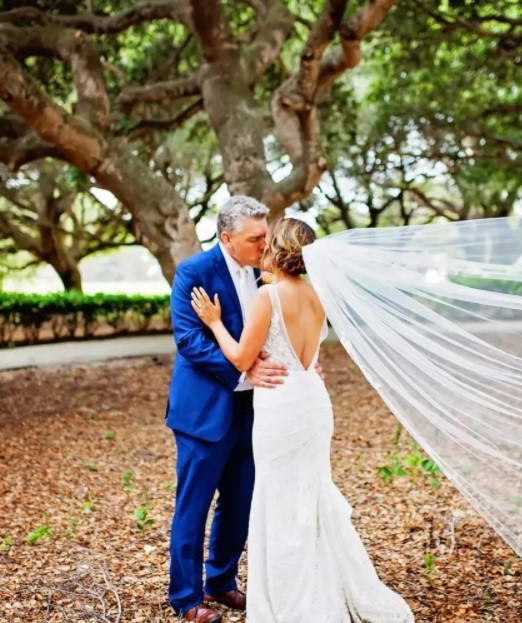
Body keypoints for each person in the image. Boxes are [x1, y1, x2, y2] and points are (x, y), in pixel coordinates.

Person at [189, 217, 415, 622]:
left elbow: (240, 358)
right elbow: (306, 354)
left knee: (280, 500)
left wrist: (214, 322)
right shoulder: (317, 293)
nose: (262, 248)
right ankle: (326, 585)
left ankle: (294, 601)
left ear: (278, 249)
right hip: (311, 400)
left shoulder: (268, 296)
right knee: (311, 495)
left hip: (281, 406)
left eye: (268, 242)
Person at [166, 196, 291, 623]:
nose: (264, 245)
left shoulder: (266, 270)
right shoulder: (194, 272)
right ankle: (186, 598)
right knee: (194, 507)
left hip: (254, 410)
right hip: (203, 411)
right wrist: (243, 369)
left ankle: (220, 581)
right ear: (226, 237)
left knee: (240, 502)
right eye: (255, 238)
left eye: (266, 235)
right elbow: (189, 341)